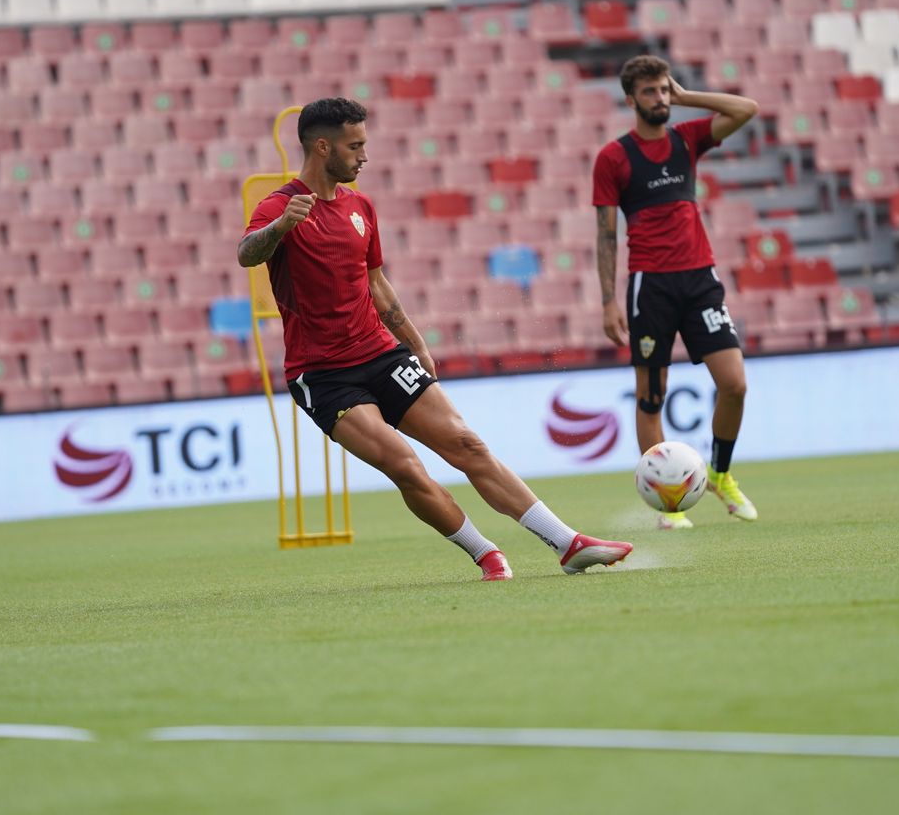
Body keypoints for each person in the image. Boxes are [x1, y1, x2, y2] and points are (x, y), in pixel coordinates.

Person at [238, 97, 632, 580]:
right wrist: (281, 227)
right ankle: (486, 553)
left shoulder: (361, 206)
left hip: (382, 353)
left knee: (467, 444)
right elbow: (246, 254)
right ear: (323, 147)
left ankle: (568, 544)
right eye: (354, 145)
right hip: (323, 374)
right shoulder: (279, 206)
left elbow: (377, 284)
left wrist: (416, 344)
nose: (364, 155)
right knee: (405, 464)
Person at [594, 55, 760, 530]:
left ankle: (721, 475)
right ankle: (669, 502)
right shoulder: (614, 158)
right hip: (651, 285)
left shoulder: (686, 141)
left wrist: (688, 97)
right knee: (651, 397)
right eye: (649, 92)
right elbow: (606, 234)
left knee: (735, 384)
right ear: (631, 100)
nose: (660, 99)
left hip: (700, 280)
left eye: (665, 90)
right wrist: (609, 300)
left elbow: (746, 108)